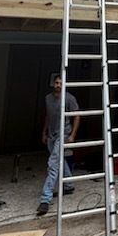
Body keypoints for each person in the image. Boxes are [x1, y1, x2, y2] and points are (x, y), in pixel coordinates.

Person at [37, 76, 80, 216]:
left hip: (63, 133)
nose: (58, 85)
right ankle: (69, 185)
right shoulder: (48, 98)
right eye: (56, 83)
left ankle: (45, 199)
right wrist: (44, 132)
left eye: (61, 83)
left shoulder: (69, 98)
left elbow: (77, 116)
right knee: (59, 160)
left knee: (53, 164)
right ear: (53, 84)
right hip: (52, 134)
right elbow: (48, 116)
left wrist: (72, 135)